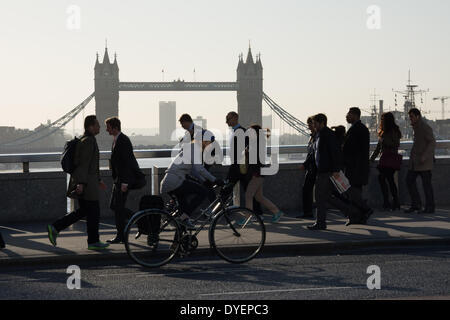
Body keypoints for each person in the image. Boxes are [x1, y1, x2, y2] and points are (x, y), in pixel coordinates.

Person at [47, 115, 110, 250]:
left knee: (83, 212)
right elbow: (83, 165)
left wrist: (98, 180)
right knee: (94, 212)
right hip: (86, 185)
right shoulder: (88, 141)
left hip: (87, 182)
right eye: (97, 125)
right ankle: (93, 242)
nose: (100, 127)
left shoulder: (86, 139)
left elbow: (90, 165)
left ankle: (56, 227)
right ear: (91, 126)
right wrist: (81, 184)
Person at [160, 140, 224, 229]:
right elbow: (199, 169)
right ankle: (183, 218)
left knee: (183, 212)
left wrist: (204, 181)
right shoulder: (194, 149)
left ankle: (180, 239)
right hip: (176, 181)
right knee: (202, 192)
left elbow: (193, 171)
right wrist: (215, 180)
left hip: (170, 181)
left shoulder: (191, 149)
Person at [105, 117, 144, 244]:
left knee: (118, 207)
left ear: (115, 128)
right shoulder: (116, 140)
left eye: (108, 127)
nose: (107, 130)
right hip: (119, 180)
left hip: (123, 181)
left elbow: (127, 163)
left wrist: (125, 183)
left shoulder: (123, 140)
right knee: (115, 206)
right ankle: (139, 220)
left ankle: (120, 235)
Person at [242, 124, 285, 224]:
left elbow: (257, 161)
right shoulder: (256, 142)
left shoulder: (257, 144)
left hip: (256, 173)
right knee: (258, 197)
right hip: (259, 173)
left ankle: (247, 218)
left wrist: (254, 174)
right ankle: (277, 212)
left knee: (249, 195)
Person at [225, 111, 263, 216]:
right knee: (248, 190)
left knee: (227, 186)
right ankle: (258, 213)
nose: (226, 121)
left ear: (235, 118)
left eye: (228, 119)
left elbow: (247, 149)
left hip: (238, 165)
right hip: (240, 166)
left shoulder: (241, 131)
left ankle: (220, 209)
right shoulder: (235, 131)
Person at [404, 108, 436, 214]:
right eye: (410, 117)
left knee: (426, 185)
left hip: (423, 162)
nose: (410, 119)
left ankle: (429, 207)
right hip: (416, 162)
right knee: (410, 181)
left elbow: (432, 142)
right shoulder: (416, 127)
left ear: (418, 116)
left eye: (412, 117)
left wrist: (424, 156)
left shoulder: (424, 127)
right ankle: (416, 204)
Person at [370, 112, 402, 211]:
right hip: (385, 159)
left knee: (387, 179)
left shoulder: (393, 131)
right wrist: (371, 159)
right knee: (386, 179)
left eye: (383, 119)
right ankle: (391, 202)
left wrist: (385, 142)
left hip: (390, 159)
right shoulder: (383, 132)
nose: (381, 121)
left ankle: (391, 202)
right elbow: (378, 148)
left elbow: (396, 144)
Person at [343, 107, 370, 191]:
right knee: (356, 191)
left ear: (355, 115)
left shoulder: (356, 130)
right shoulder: (362, 129)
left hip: (355, 167)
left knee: (354, 192)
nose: (346, 116)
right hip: (358, 167)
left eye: (349, 114)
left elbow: (350, 148)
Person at [298, 117, 317, 219]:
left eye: (310, 124)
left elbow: (313, 153)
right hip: (311, 167)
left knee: (307, 190)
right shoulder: (312, 136)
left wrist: (305, 164)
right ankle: (308, 212)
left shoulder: (317, 137)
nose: (309, 127)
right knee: (306, 190)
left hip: (314, 168)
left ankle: (308, 213)